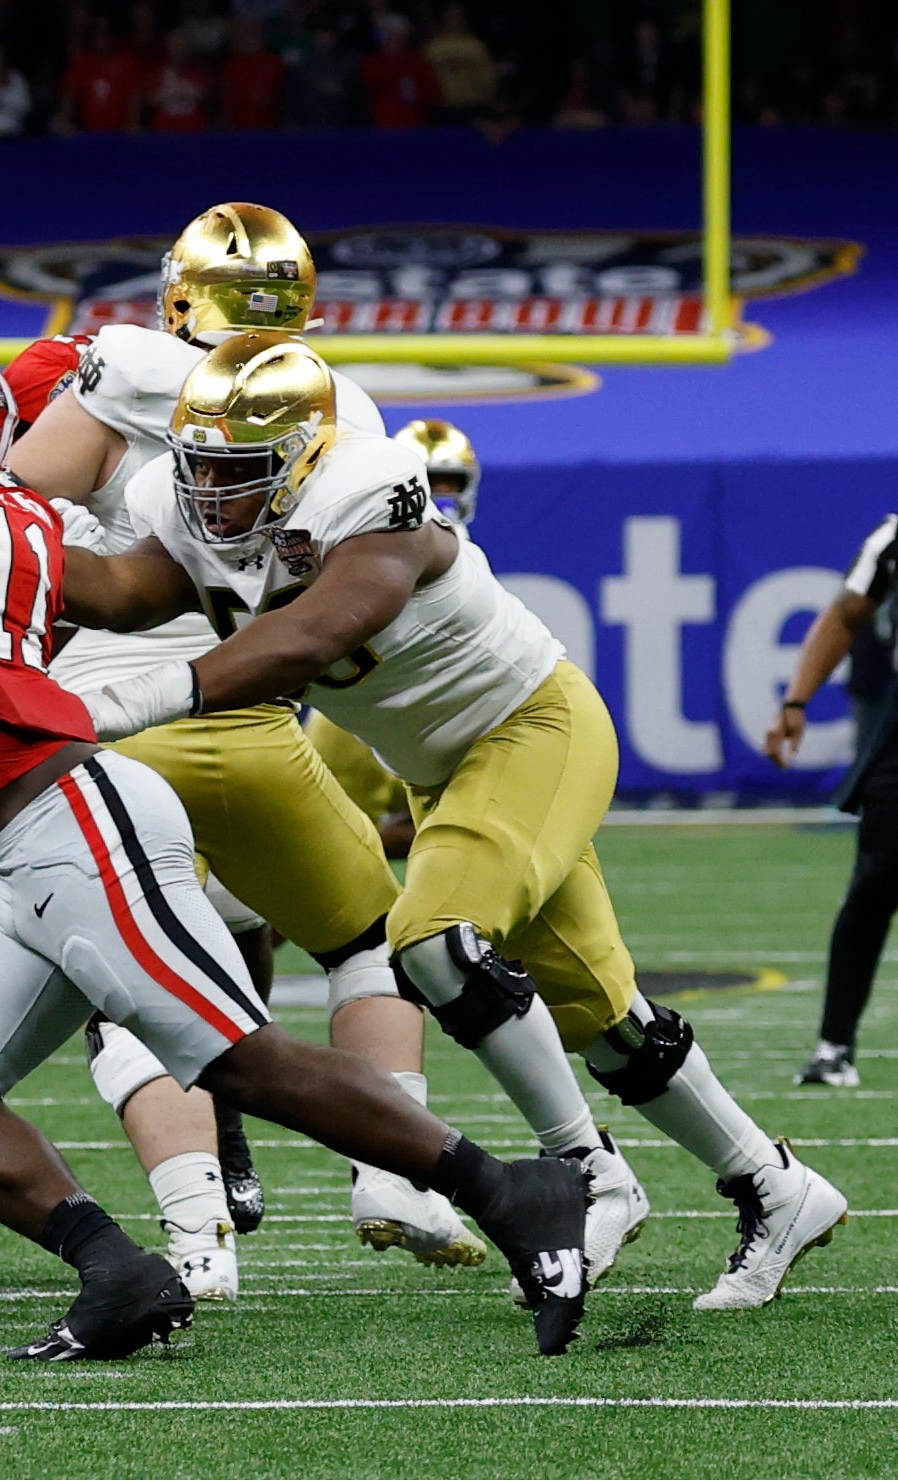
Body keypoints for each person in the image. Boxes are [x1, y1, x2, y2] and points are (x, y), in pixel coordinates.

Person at [0, 256, 591, 1357]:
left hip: (71, 819)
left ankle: (516, 1192)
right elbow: (143, 586)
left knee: (240, 1058)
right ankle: (119, 1271)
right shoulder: (10, 519)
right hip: (27, 830)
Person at [69, 330, 849, 1311]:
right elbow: (123, 589)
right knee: (604, 1020)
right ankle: (776, 1188)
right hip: (449, 771)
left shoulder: (371, 485)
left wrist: (126, 702)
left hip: (533, 724)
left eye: (235, 471)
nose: (206, 494)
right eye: (197, 468)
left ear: (301, 460)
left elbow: (312, 633)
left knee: (432, 941)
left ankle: (587, 1174)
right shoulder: (189, 506)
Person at [305, 419, 485, 858]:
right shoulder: (360, 539)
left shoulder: (459, 547)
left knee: (459, 845)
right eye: (429, 481)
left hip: (432, 707)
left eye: (449, 483)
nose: (440, 495)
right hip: (359, 708)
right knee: (324, 854)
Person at [765, 511, 898, 1088]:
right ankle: (834, 1044)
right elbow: (846, 614)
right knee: (876, 877)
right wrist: (796, 702)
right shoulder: (891, 540)